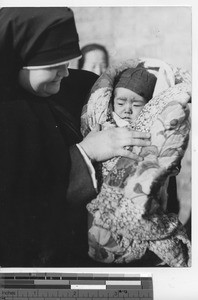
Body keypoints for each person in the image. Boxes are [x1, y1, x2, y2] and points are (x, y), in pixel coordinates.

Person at [0, 7, 151, 267]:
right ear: (17, 59)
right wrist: (85, 153)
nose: (66, 72)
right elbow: (18, 205)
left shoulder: (80, 86)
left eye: (67, 61)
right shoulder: (8, 114)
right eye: (53, 66)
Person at [81, 59, 191, 267]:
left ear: (148, 105)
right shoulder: (104, 125)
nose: (127, 110)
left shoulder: (149, 128)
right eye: (120, 103)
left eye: (137, 104)